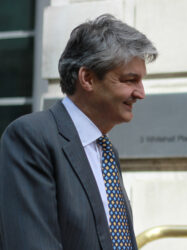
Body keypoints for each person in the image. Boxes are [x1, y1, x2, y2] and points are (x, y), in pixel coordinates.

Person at [0, 14, 157, 250]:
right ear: (88, 79)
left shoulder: (106, 151)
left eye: (140, 81)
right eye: (130, 80)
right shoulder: (31, 137)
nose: (140, 93)